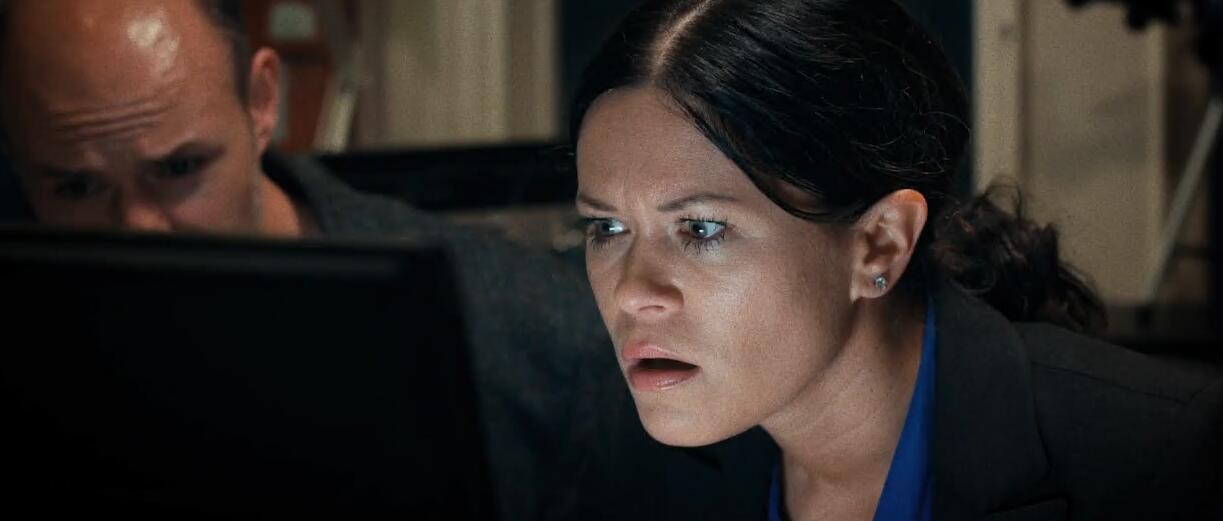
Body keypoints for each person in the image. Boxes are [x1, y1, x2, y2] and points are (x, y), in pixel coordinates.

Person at [566, 0, 1223, 519]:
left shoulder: (1167, 457)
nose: (630, 292)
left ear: (879, 242)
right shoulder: (638, 468)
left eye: (702, 228)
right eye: (607, 226)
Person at [0, 1, 617, 518]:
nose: (137, 232)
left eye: (180, 168)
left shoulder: (533, 336)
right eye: (76, 188)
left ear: (261, 102)